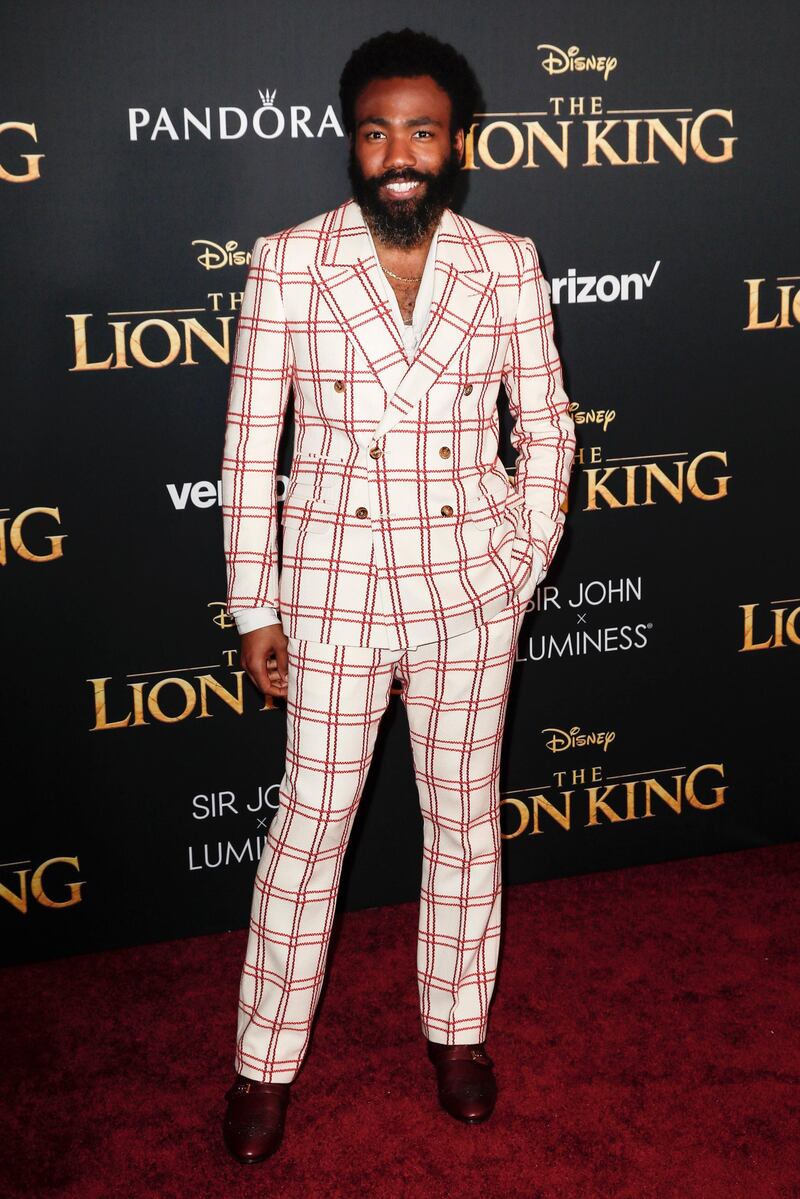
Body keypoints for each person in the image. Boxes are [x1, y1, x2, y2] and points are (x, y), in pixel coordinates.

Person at [219, 27, 575, 1164]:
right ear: (350, 142)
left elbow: (548, 428)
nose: (398, 153)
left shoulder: (504, 259)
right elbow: (245, 452)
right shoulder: (287, 259)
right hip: (327, 593)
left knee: (463, 821)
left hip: (469, 589)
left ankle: (457, 1029)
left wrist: (520, 556)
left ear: (455, 141)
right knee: (307, 829)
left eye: (421, 130)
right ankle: (263, 1057)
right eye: (376, 132)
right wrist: (255, 605)